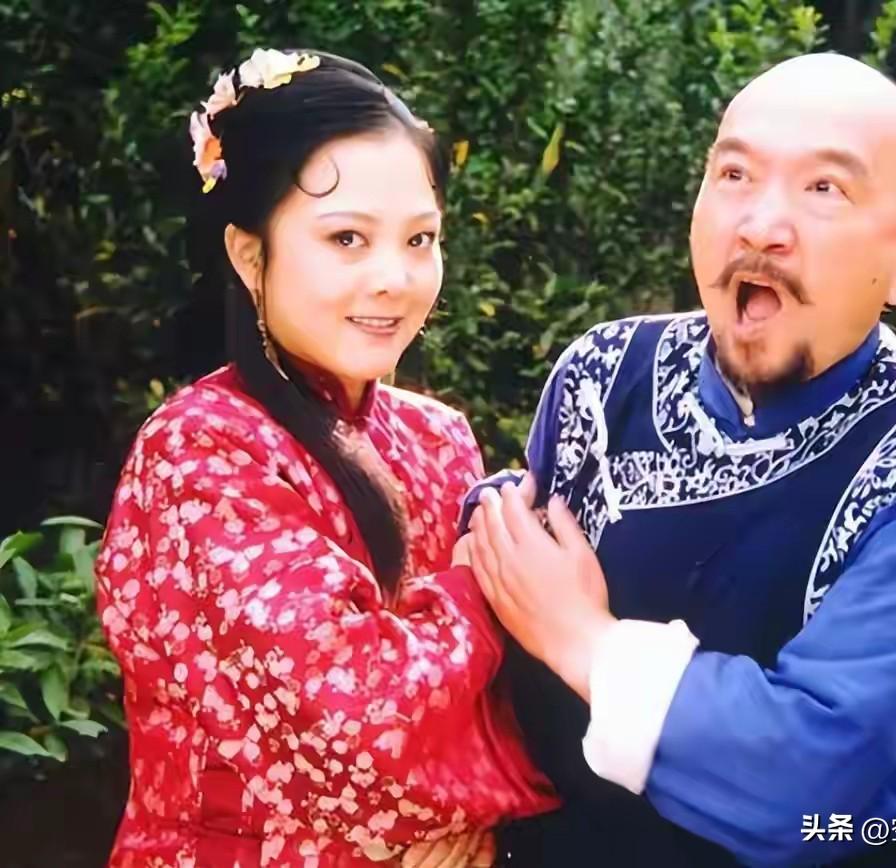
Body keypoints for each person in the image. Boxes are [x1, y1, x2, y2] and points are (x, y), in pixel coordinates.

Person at [462, 53, 896, 867]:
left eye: (824, 189)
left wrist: (582, 638)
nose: (761, 224)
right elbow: (496, 639)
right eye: (734, 174)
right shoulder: (603, 374)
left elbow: (804, 779)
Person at [95, 48, 556, 868]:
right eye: (347, 237)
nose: (394, 278)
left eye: (420, 239)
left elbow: (503, 708)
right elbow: (355, 721)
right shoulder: (200, 452)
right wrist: (494, 581)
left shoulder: (438, 437)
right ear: (249, 254)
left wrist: (470, 828)